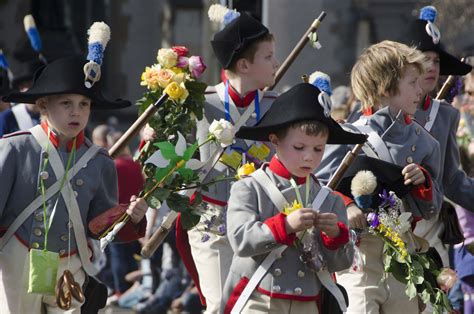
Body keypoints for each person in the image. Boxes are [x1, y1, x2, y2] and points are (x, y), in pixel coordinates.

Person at [0, 56, 148, 313]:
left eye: (84, 104)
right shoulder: (15, 147)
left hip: (70, 264)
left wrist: (130, 218)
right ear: (43, 106)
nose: (76, 112)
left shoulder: (100, 161)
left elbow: (100, 226)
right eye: (66, 103)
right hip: (18, 262)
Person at [316, 40, 442, 313]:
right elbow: (319, 190)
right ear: (385, 88)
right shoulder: (345, 136)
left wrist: (424, 184)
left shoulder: (426, 144)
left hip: (403, 256)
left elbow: (433, 209)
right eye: (412, 82)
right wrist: (346, 206)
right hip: (358, 255)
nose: (420, 90)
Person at [221, 82, 365, 313]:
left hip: (308, 302)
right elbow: (240, 240)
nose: (309, 157)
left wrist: (335, 235)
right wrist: (285, 225)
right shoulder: (250, 188)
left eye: (318, 149)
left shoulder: (330, 200)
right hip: (259, 299)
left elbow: (341, 263)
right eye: (299, 147)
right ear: (275, 140)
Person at [176, 4, 280, 313]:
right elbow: (177, 156)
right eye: (268, 57)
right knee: (221, 303)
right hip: (213, 221)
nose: (277, 63)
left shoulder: (278, 106)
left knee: (256, 304)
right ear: (244, 66)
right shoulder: (199, 103)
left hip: (259, 220)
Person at [391, 6, 473, 270]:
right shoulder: (378, 111)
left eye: (436, 60)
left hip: (430, 225)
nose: (431, 68)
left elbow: (450, 179)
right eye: (423, 60)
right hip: (385, 225)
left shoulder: (445, 115)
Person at [0, 60, 43, 137]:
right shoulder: (8, 117)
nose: (28, 89)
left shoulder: (54, 111)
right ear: (21, 89)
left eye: (32, 84)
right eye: (24, 86)